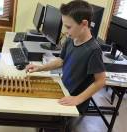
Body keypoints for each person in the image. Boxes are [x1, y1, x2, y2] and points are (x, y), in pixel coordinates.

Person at [26, 0, 106, 130]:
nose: (65, 31)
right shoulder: (70, 40)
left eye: (69, 27)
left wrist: (78, 99)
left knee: (52, 125)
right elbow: (61, 60)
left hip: (74, 99)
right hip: (63, 88)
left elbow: (101, 81)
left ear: (84, 24)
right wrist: (40, 68)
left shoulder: (93, 50)